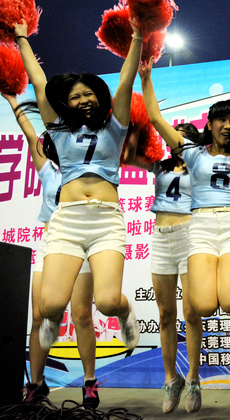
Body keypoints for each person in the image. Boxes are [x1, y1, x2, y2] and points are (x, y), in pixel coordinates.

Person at [14, 20, 142, 356]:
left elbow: (126, 81)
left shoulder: (115, 129)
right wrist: (21, 37)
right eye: (75, 96)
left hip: (106, 222)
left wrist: (138, 36)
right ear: (66, 103)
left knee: (108, 302)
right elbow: (39, 83)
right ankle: (53, 317)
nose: (83, 99)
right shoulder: (57, 130)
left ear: (99, 98)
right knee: (49, 306)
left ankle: (125, 313)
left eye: (88, 94)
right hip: (67, 221)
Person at [138, 56, 230, 348]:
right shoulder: (193, 153)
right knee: (202, 307)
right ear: (210, 124)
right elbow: (156, 118)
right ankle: (226, 270)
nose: (228, 125)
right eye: (222, 120)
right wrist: (146, 78)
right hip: (200, 229)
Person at [3, 93, 100, 408]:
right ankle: (36, 383)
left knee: (82, 314)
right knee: (40, 316)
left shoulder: (89, 170)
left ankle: (89, 382)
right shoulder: (48, 169)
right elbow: (30, 133)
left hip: (80, 244)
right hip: (49, 244)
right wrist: (12, 101)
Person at [123, 123, 203, 413]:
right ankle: (171, 379)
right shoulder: (160, 166)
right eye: (172, 135)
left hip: (190, 236)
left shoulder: (200, 167)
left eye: (181, 135)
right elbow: (129, 157)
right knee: (166, 313)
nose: (174, 139)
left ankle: (193, 378)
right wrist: (135, 124)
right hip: (161, 238)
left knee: (192, 312)